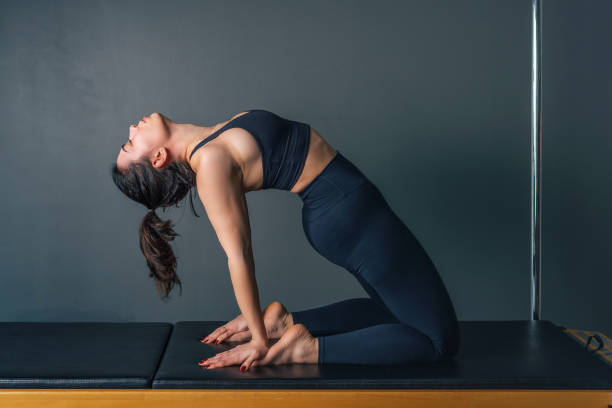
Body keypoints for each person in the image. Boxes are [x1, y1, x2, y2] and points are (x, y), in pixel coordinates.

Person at [112, 109, 460, 372]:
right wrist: (260, 343)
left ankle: (284, 322)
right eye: (131, 144)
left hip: (347, 209)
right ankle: (306, 349)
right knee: (438, 342)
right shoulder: (212, 164)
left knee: (394, 312)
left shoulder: (212, 139)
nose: (132, 129)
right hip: (348, 215)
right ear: (157, 157)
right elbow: (239, 255)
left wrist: (261, 324)